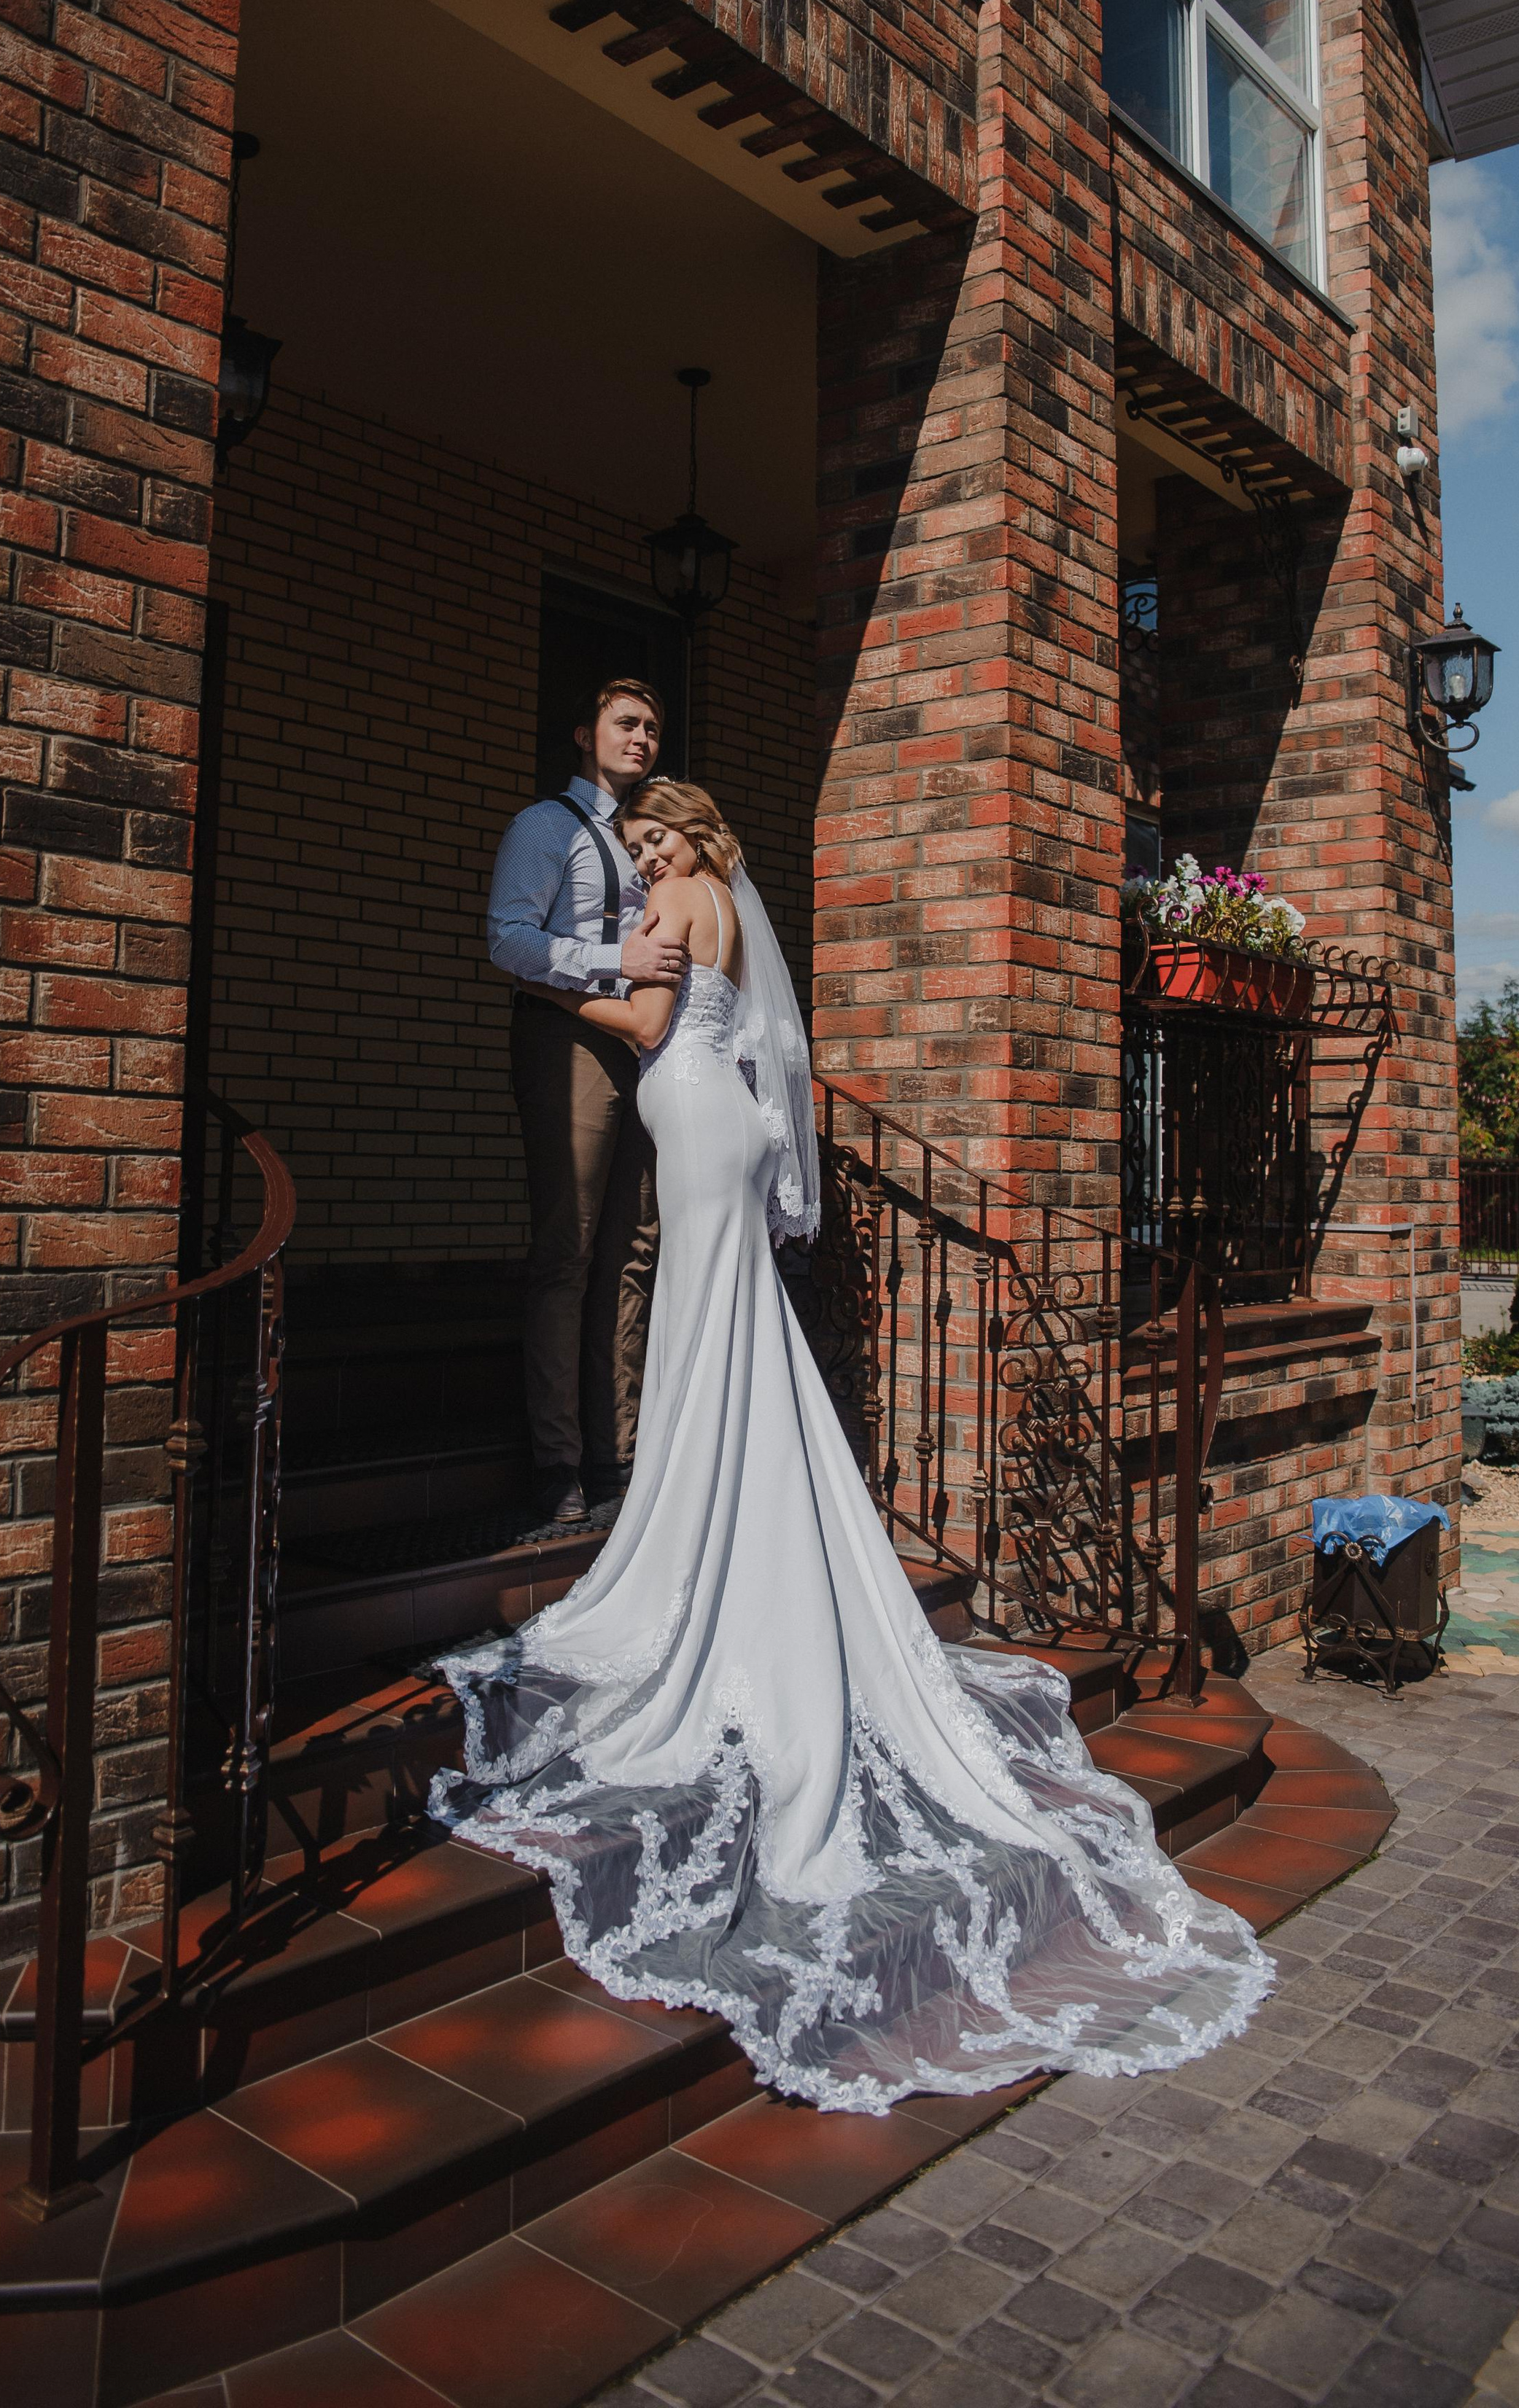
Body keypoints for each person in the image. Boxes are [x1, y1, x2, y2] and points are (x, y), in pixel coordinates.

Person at [438, 781, 1273, 2115]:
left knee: (706, 1328)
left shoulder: (669, 907)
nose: (645, 856)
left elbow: (649, 1019)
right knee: (726, 1332)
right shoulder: (723, 902)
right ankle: (732, 1497)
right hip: (722, 1116)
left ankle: (707, 1524)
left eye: (660, 839)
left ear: (697, 841)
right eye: (638, 841)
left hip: (694, 1113)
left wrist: (555, 993)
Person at [487, 681, 688, 1530]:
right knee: (567, 1249)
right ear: (584, 734)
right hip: (566, 1042)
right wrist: (616, 959)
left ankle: (620, 1454)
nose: (641, 737)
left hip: (644, 1045)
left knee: (633, 1249)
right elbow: (506, 937)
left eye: (652, 726)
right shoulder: (545, 827)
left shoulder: (650, 838)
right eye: (625, 723)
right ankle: (556, 1463)